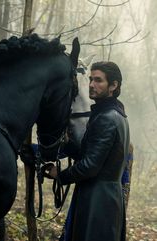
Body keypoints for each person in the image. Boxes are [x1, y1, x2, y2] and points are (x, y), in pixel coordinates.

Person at [46, 61, 130, 241]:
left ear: (113, 85)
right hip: (104, 196)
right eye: (91, 79)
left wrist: (60, 175)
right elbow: (92, 154)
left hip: (98, 200)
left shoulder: (106, 118)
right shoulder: (113, 114)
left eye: (98, 80)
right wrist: (67, 144)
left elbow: (89, 166)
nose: (91, 85)